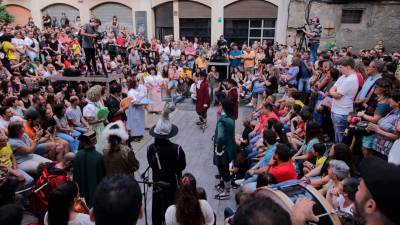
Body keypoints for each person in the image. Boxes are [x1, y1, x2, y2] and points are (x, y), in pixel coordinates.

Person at [148, 103, 186, 225]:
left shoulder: (150, 148)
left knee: (158, 207)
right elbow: (182, 166)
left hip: (157, 181)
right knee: (172, 206)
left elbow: (151, 164)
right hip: (173, 182)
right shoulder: (177, 149)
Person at [329, 57, 359, 142]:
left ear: (348, 67)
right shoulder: (343, 77)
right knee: (337, 135)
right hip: (336, 111)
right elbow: (332, 88)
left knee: (342, 138)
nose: (339, 69)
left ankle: (340, 154)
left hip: (342, 113)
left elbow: (337, 95)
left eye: (341, 67)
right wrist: (333, 91)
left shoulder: (351, 79)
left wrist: (333, 92)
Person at [73, 131, 105, 207]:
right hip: (95, 197)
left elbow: (75, 177)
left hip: (81, 197)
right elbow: (102, 178)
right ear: (95, 141)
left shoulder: (78, 155)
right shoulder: (99, 157)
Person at [214, 99, 236, 200]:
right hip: (229, 148)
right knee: (225, 169)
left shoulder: (222, 120)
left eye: (219, 105)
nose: (218, 106)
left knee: (223, 170)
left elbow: (220, 137)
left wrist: (218, 148)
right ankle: (225, 188)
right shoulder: (231, 117)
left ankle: (227, 192)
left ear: (222, 107)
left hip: (222, 150)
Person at [83, 85, 107, 153]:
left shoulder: (98, 102)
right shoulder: (88, 107)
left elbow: (103, 109)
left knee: (104, 143)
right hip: (94, 129)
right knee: (98, 145)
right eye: (99, 95)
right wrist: (101, 120)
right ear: (95, 95)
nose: (101, 96)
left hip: (101, 126)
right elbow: (90, 122)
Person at [126, 76, 147, 141]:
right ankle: (135, 136)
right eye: (136, 82)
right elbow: (134, 103)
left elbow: (142, 96)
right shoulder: (130, 92)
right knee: (135, 122)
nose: (138, 83)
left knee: (140, 121)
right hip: (134, 109)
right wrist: (144, 103)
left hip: (140, 109)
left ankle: (140, 134)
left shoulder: (137, 90)